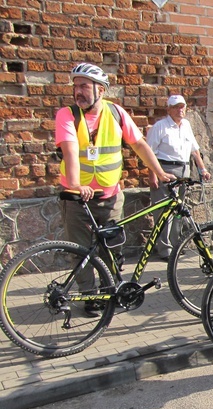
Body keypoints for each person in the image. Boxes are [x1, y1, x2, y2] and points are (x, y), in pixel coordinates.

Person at [56, 63, 175, 316]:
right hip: (78, 199)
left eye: (84, 86)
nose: (78, 91)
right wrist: (77, 185)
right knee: (80, 251)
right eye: (76, 86)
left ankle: (110, 290)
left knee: (112, 249)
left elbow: (140, 145)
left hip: (111, 197)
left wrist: (159, 171)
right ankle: (89, 297)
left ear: (101, 90)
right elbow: (70, 151)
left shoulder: (116, 113)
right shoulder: (67, 115)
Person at [146, 95, 210, 261]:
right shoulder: (160, 127)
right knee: (163, 211)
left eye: (182, 107)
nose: (180, 110)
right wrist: (152, 175)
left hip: (184, 169)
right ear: (169, 109)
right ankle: (164, 249)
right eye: (176, 107)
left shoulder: (186, 125)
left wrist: (202, 169)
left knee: (179, 210)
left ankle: (176, 245)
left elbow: (194, 150)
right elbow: (149, 153)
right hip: (165, 169)